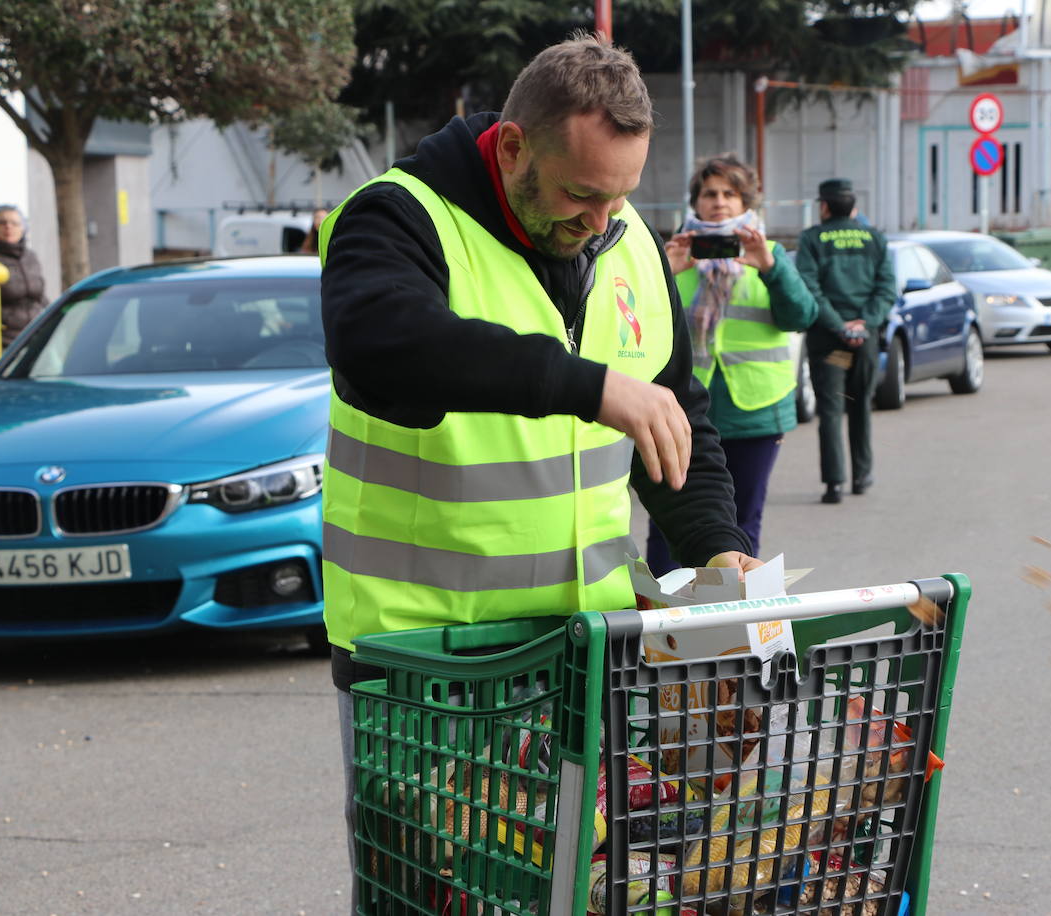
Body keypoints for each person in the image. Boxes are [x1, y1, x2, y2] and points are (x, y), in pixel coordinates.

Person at [317, 33, 758, 900]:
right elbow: (383, 343)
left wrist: (716, 546)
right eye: (580, 194)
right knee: (439, 894)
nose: (601, 221)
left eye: (621, 196)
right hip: (425, 661)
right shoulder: (398, 214)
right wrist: (586, 387)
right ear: (513, 146)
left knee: (572, 892)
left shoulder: (623, 237)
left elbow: (678, 423)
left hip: (574, 658)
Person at [643, 154, 817, 574]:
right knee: (670, 521)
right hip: (679, 411)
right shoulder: (667, 256)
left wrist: (771, 269)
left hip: (755, 409)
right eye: (709, 194)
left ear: (745, 203)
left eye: (729, 193)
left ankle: (732, 620)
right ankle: (662, 621)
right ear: (695, 202)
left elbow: (802, 316)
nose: (718, 202)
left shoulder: (768, 253)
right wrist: (663, 272)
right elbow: (636, 329)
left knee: (740, 523)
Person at [796, 179, 895, 505]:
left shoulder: (813, 239)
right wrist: (864, 323)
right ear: (853, 207)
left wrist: (839, 326)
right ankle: (862, 476)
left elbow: (810, 288)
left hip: (831, 344)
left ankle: (834, 484)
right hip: (864, 341)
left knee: (832, 407)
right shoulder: (875, 239)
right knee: (861, 404)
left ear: (824, 206)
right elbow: (886, 288)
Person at [0, 205, 47, 349]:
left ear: (23, 228)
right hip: (5, 341)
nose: (8, 227)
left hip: (37, 333)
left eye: (14, 223)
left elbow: (41, 297)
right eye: (2, 222)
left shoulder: (31, 257)